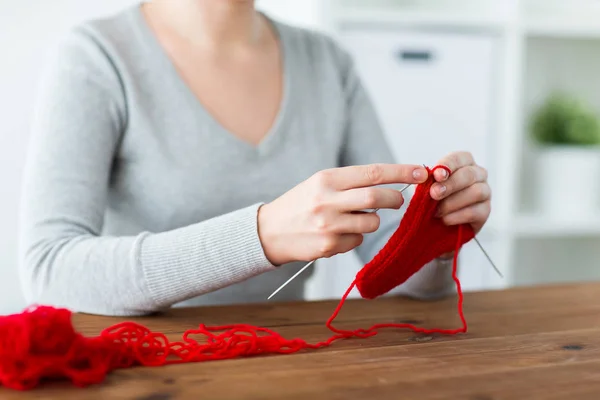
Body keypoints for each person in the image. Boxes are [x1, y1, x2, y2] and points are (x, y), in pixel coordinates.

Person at [18, 0, 491, 317]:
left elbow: (390, 266)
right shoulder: (97, 56)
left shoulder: (326, 62)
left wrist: (435, 234)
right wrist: (261, 235)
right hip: (142, 369)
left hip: (288, 366)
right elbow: (48, 270)